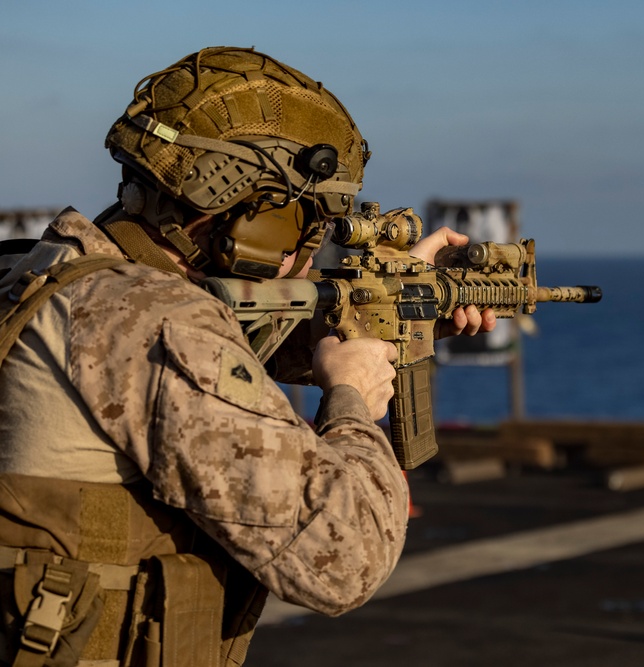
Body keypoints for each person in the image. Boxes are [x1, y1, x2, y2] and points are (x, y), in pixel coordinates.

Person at [0, 46, 494, 667]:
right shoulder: (156, 321)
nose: (311, 254)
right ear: (256, 217)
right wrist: (352, 400)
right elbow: (344, 558)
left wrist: (382, 313)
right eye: (309, 224)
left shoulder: (44, 273)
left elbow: (205, 361)